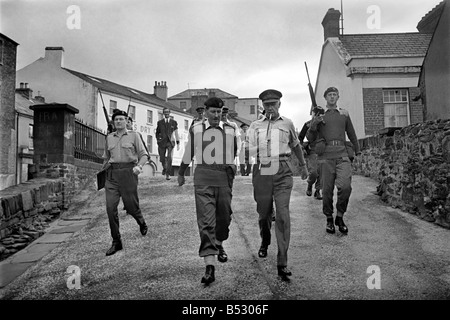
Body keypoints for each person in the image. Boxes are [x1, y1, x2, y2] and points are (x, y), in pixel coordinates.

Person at [248, 89, 308, 281]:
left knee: (282, 215)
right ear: (262, 106)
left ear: (280, 104)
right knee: (264, 213)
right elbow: (248, 149)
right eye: (266, 105)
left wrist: (303, 166)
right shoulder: (255, 125)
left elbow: (296, 145)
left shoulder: (288, 123)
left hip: (283, 170)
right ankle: (265, 240)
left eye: (273, 104)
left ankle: (282, 261)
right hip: (263, 169)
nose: (270, 107)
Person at [178, 97, 238, 285]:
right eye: (212, 112)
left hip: (223, 178)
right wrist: (181, 172)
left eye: (219, 112)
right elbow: (189, 152)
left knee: (224, 218)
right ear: (205, 112)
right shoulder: (196, 128)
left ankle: (219, 244)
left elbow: (233, 152)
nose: (216, 115)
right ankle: (209, 266)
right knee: (206, 222)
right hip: (203, 177)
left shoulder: (230, 129)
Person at [306, 87, 360, 234]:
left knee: (345, 186)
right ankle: (329, 218)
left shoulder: (344, 114)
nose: (332, 97)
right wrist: (314, 124)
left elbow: (351, 133)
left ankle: (340, 216)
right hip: (325, 157)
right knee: (327, 190)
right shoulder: (320, 115)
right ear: (325, 98)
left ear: (338, 97)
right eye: (329, 95)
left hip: (342, 154)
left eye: (334, 94)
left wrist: (357, 149)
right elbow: (310, 138)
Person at [102, 109, 149, 256]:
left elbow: (144, 155)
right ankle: (116, 241)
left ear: (126, 120)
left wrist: (139, 166)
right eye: (116, 120)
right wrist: (100, 174)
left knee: (131, 207)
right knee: (110, 208)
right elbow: (106, 158)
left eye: (121, 119)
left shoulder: (134, 136)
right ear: (113, 122)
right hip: (112, 176)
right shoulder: (109, 137)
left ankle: (141, 221)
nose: (118, 122)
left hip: (129, 174)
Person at [298, 108, 324, 200]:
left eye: (320, 114)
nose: (318, 116)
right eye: (316, 114)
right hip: (312, 150)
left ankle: (318, 190)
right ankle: (310, 184)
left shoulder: (325, 124)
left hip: (324, 151)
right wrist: (301, 147)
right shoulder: (308, 124)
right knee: (313, 172)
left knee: (322, 172)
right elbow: (300, 138)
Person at [156, 107, 180, 180]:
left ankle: (168, 174)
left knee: (169, 157)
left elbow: (176, 133)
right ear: (163, 113)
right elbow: (157, 132)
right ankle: (165, 168)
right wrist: (158, 140)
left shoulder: (174, 122)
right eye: (165, 112)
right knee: (162, 158)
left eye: (167, 112)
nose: (166, 113)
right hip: (162, 142)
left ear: (170, 113)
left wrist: (178, 142)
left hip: (170, 142)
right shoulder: (160, 123)